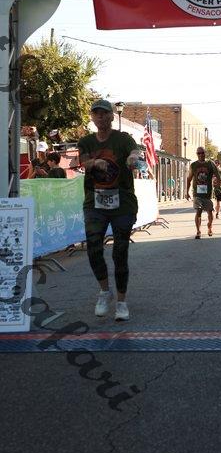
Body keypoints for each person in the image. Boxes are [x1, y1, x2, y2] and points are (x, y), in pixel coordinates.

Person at [77, 99, 139, 321]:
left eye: (104, 113)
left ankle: (121, 302)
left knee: (119, 252)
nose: (101, 117)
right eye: (96, 114)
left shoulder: (123, 138)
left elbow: (135, 151)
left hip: (122, 203)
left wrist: (133, 158)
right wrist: (95, 163)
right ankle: (105, 292)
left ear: (112, 116)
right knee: (93, 248)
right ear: (92, 118)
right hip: (95, 203)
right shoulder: (86, 141)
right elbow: (83, 161)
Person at [186, 147, 221, 239]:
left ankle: (210, 227)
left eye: (202, 153)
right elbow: (189, 179)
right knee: (198, 211)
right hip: (197, 193)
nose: (201, 155)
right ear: (197, 154)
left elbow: (218, 176)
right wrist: (187, 192)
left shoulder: (210, 164)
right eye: (199, 153)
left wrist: (218, 187)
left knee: (210, 211)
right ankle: (198, 231)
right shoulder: (193, 165)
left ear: (205, 153)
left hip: (208, 193)